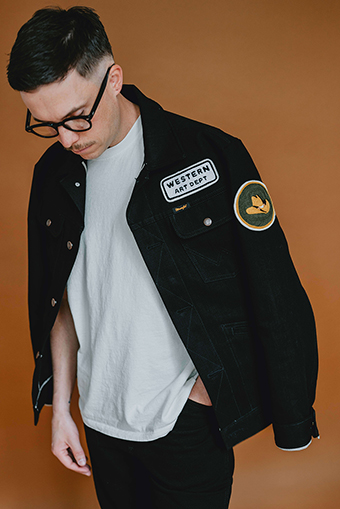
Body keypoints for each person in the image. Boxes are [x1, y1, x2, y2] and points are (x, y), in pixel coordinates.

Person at [7, 6, 319, 509]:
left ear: (115, 79)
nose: (67, 138)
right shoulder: (52, 176)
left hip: (186, 419)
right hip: (101, 420)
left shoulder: (209, 155)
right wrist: (62, 408)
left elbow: (273, 285)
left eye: (76, 117)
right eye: (46, 125)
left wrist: (279, 412)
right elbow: (57, 300)